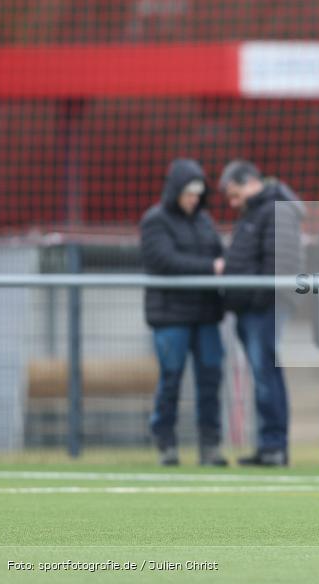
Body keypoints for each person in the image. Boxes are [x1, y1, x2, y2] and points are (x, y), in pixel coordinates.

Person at [140, 158, 227, 467]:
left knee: (210, 380)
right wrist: (210, 268)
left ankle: (210, 446)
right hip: (171, 317)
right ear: (176, 190)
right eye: (188, 192)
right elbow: (163, 261)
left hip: (205, 315)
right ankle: (166, 442)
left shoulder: (204, 221)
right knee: (171, 379)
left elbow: (221, 255)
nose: (193, 199)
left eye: (197, 193)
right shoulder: (155, 220)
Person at [220, 159, 305, 467]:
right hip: (253, 306)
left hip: (264, 306)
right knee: (263, 375)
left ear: (248, 182)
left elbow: (277, 263)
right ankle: (269, 445)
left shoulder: (273, 208)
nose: (232, 202)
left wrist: (254, 299)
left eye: (233, 193)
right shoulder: (257, 211)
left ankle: (274, 446)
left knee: (266, 375)